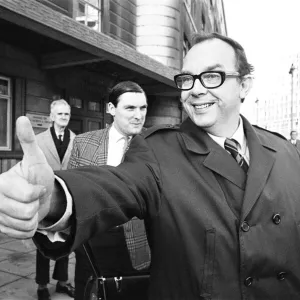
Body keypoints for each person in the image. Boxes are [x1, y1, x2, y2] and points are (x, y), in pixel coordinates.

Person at [2, 32, 300, 300]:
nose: (195, 90)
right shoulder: (158, 150)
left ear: (244, 85)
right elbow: (116, 184)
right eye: (187, 79)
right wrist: (54, 198)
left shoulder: (286, 153)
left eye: (212, 76)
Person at [68, 81, 150, 300]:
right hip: (92, 240)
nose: (138, 115)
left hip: (139, 242)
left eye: (143, 108)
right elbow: (74, 193)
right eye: (130, 108)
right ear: (111, 109)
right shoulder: (84, 142)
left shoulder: (156, 146)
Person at [34, 99, 75, 300]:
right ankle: (42, 285)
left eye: (66, 114)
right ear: (52, 117)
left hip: (67, 199)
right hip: (45, 200)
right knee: (43, 243)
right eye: (60, 114)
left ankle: (62, 282)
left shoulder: (76, 139)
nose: (64, 117)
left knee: (65, 244)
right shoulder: (39, 140)